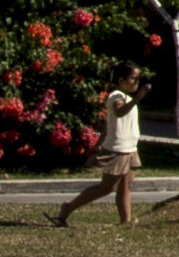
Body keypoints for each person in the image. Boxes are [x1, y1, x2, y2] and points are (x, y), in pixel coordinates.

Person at [49, 76, 144, 226]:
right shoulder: (116, 96)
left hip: (130, 148)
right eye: (133, 78)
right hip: (117, 149)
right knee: (107, 187)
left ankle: (125, 222)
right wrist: (137, 98)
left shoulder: (126, 97)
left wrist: (98, 143)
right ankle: (68, 208)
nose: (137, 82)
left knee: (126, 186)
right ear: (121, 80)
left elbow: (109, 124)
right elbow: (119, 113)